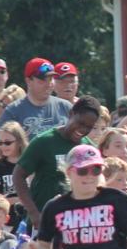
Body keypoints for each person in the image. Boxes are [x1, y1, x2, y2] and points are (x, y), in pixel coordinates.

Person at [13, 96, 101, 231]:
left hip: (76, 223)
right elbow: (18, 175)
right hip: (44, 220)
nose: (83, 129)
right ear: (71, 113)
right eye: (80, 123)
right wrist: (33, 213)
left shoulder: (89, 150)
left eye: (89, 127)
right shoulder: (44, 141)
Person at [0, 58, 73, 139]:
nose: (49, 84)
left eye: (51, 79)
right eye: (43, 80)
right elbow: (3, 147)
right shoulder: (13, 112)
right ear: (28, 81)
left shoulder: (66, 107)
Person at [0, 121, 28, 230]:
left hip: (28, 217)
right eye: (0, 143)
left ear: (19, 142)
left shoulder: (29, 163)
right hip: (7, 221)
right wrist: (19, 199)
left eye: (8, 142)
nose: (3, 146)